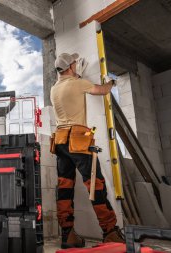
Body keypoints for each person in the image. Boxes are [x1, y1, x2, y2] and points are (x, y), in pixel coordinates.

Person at [50, 53, 124, 249]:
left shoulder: (54, 88)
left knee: (64, 187)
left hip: (60, 139)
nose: (76, 64)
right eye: (74, 63)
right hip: (78, 140)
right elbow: (102, 91)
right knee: (95, 185)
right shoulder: (77, 83)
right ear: (71, 67)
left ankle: (68, 235)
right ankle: (110, 232)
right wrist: (111, 83)